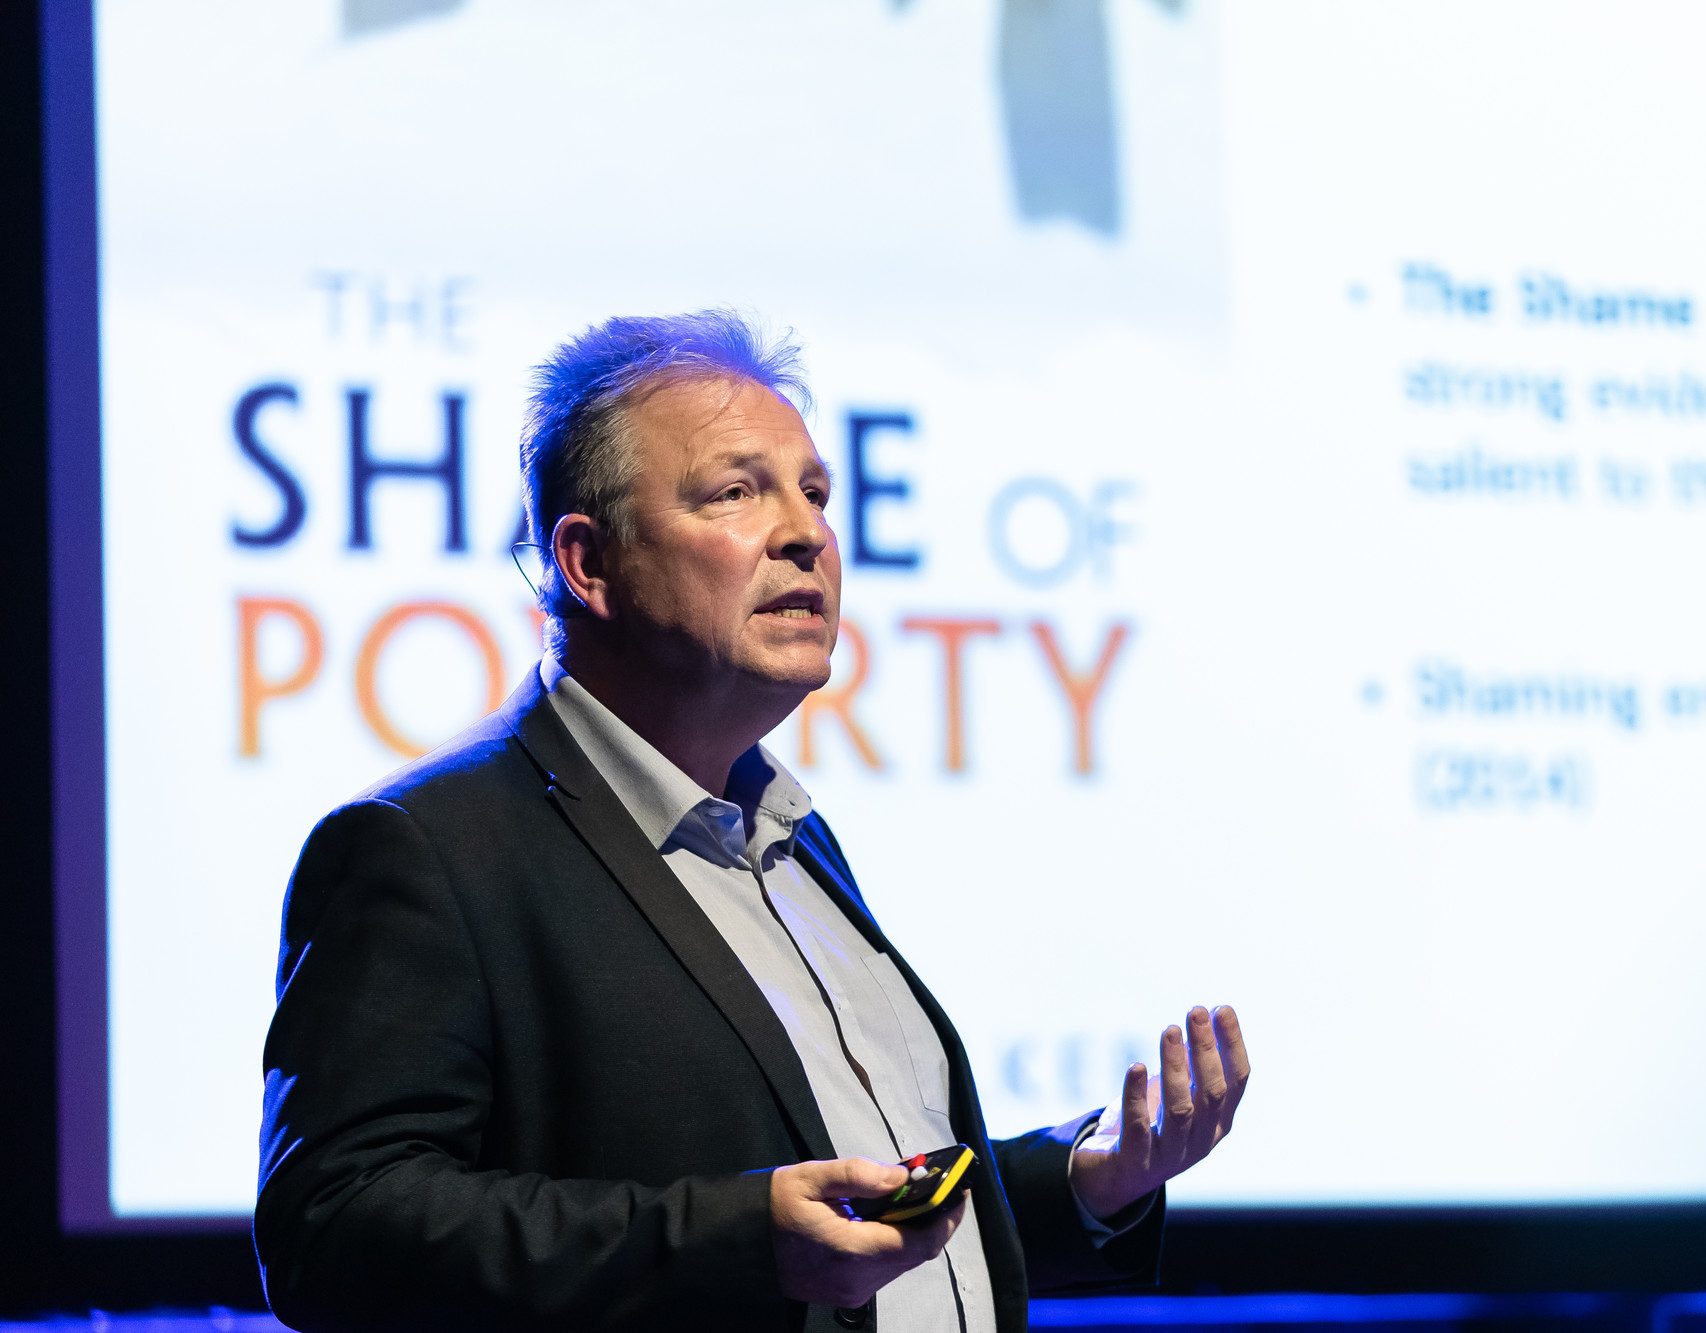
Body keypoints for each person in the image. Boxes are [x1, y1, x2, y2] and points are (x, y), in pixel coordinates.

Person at [254, 311, 1250, 1333]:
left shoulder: (789, 836)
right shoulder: (427, 849)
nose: (806, 531)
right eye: (736, 492)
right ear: (587, 563)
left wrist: (1088, 1178)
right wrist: (739, 1240)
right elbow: (332, 1228)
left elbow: (858, 1213)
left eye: (814, 492)